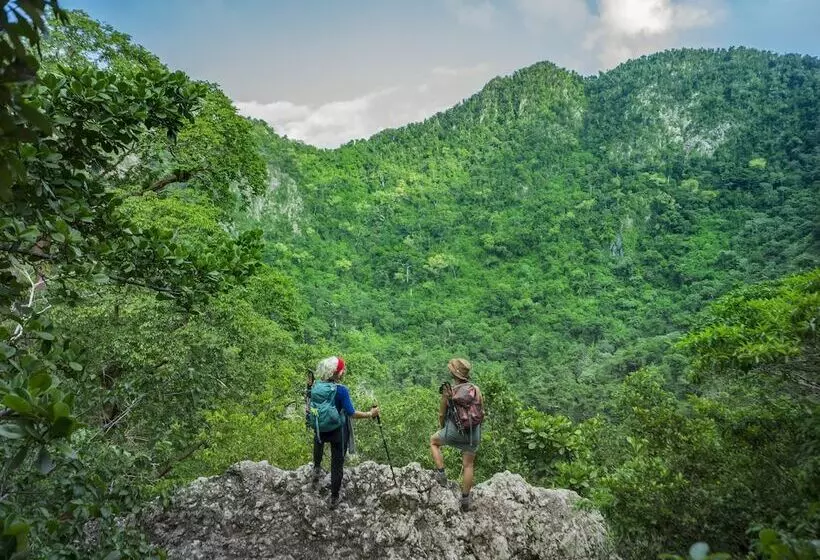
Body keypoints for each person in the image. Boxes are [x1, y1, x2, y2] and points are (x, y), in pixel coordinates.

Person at [308, 356, 379, 508]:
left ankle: (316, 468)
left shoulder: (316, 386)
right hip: (337, 430)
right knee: (337, 462)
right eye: (342, 369)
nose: (344, 371)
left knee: (318, 441)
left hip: (320, 428)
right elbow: (351, 413)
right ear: (338, 373)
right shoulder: (341, 391)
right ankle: (334, 497)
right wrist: (370, 414)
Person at [430, 358, 485, 511]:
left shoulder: (449, 392)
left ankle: (441, 474)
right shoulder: (476, 389)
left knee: (433, 442)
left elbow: (441, 415)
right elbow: (482, 412)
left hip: (454, 431)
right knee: (468, 465)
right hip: (474, 432)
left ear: (453, 374)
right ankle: (466, 500)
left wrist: (444, 430)